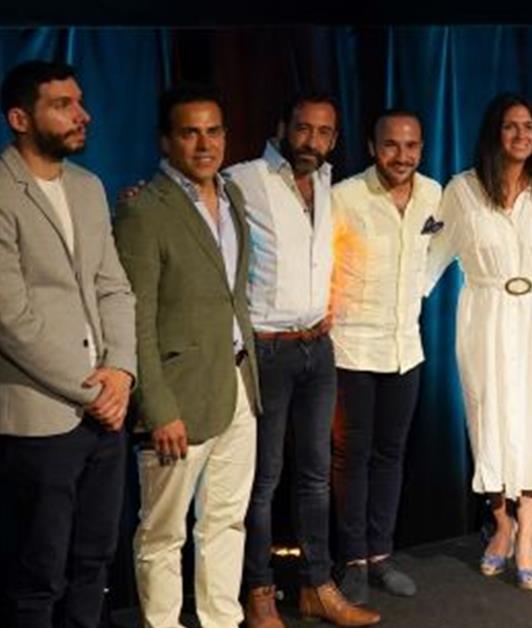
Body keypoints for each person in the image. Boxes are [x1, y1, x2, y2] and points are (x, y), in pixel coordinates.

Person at [0, 60, 136, 628]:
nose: (82, 114)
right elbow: (9, 320)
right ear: (20, 119)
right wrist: (95, 391)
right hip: (41, 417)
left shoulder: (88, 186)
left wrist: (122, 372)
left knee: (95, 559)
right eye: (63, 105)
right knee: (41, 573)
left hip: (107, 409)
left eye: (79, 101)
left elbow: (114, 286)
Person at [228, 93, 379, 627]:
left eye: (323, 132)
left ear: (333, 139)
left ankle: (318, 587)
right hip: (268, 349)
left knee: (315, 475)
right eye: (303, 129)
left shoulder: (327, 182)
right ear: (282, 128)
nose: (311, 141)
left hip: (318, 347)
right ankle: (260, 593)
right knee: (263, 480)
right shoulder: (242, 179)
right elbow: (194, 212)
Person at [115, 85, 260, 628]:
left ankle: (222, 620)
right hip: (177, 398)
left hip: (238, 385)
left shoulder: (233, 196)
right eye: (190, 133)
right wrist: (157, 407)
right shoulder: (143, 210)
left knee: (226, 522)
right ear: (166, 141)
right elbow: (135, 318)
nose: (205, 144)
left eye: (214, 131)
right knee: (163, 533)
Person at [431, 93, 532, 591]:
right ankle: (502, 524)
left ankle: (528, 536)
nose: (521, 135)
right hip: (486, 316)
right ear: (495, 133)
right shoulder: (463, 191)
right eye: (511, 126)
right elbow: (429, 256)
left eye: (529, 127)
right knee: (488, 418)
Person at [329, 109, 443, 602]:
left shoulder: (433, 195)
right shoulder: (344, 196)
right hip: (351, 347)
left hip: (405, 348)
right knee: (351, 457)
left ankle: (381, 555)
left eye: (411, 146)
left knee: (390, 454)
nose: (402, 156)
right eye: (392, 145)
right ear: (373, 147)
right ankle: (353, 560)